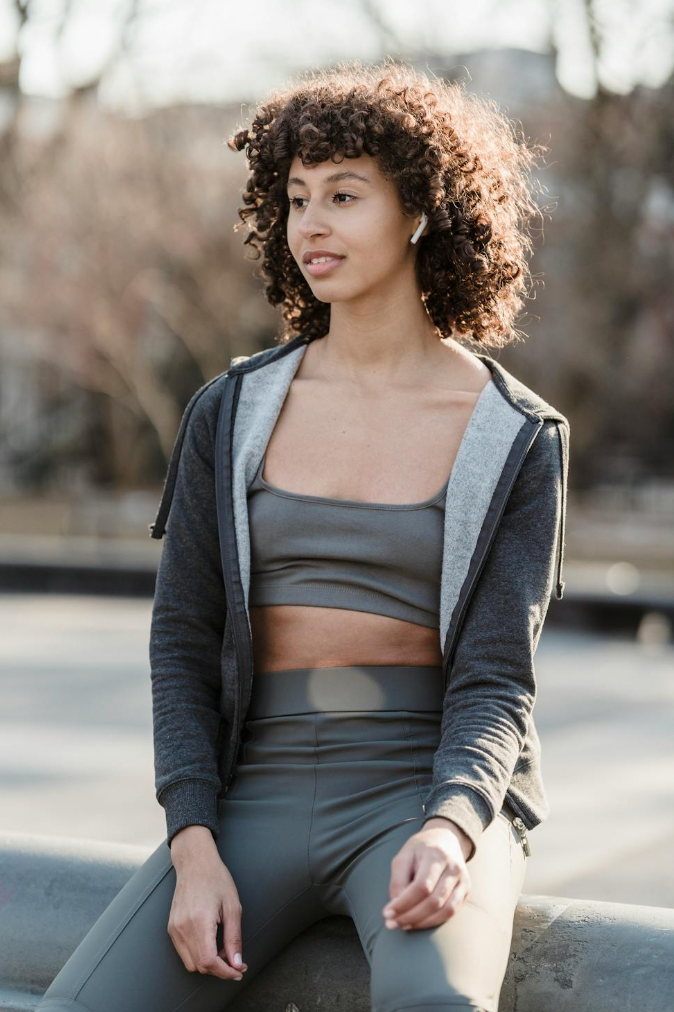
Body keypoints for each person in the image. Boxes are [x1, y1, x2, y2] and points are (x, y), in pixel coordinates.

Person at [37, 58, 570, 1012]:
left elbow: (497, 678)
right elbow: (183, 642)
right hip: (255, 792)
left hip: (426, 787)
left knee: (438, 1006)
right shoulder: (231, 409)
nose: (311, 224)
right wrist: (192, 844)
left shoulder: (516, 433)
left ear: (420, 210)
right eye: (294, 199)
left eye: (344, 195)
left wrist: (451, 829)